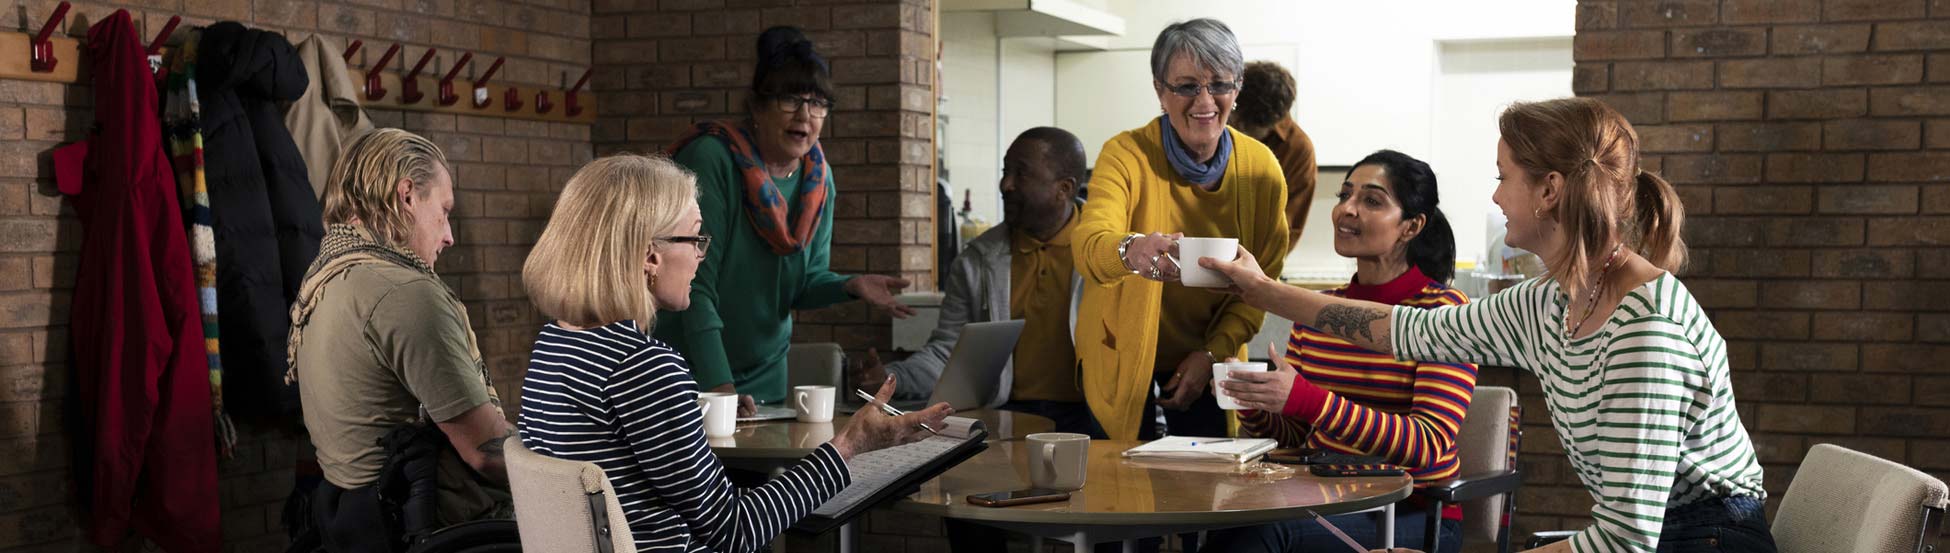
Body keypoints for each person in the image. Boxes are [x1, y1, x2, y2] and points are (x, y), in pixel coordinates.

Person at [1200, 97, 1775, 553]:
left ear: (1549, 190)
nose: (1495, 195)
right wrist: (1264, 291)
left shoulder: (1643, 332)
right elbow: (1404, 332)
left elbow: (1624, 542)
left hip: (1706, 541)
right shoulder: (1547, 302)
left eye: (1504, 177)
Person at [517, 154, 951, 553]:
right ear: (651, 255)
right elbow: (732, 530)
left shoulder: (555, 343)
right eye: (695, 238)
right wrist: (850, 445)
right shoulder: (643, 367)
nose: (701, 256)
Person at [1202, 150, 1475, 553]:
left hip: (1412, 514)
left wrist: (1310, 401)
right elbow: (1296, 438)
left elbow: (1427, 444)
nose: (1347, 210)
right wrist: (1254, 403)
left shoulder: (1443, 313)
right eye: (1345, 195)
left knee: (1258, 536)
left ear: (1411, 226)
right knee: (1223, 524)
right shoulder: (1315, 310)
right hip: (1320, 501)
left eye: (1371, 200)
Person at [659, 26, 914, 414]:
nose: (805, 115)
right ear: (757, 108)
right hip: (694, 374)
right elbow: (696, 291)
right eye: (790, 99)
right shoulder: (712, 158)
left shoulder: (818, 179)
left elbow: (802, 285)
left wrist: (850, 286)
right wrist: (720, 387)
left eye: (818, 103)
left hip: (767, 379)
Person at [286, 129, 514, 549]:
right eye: (443, 212)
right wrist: (572, 465)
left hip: (350, 522)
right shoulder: (404, 292)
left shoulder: (325, 277)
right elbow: (485, 451)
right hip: (423, 528)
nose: (449, 236)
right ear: (407, 195)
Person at [1074, 18, 1289, 441]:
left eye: (1220, 85)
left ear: (1238, 87)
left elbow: (1262, 282)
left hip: (1213, 355)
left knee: (1208, 491)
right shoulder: (1125, 154)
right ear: (1160, 91)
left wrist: (1211, 354)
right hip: (1121, 352)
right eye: (1187, 86)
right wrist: (1130, 251)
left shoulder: (1262, 168)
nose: (1204, 101)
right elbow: (1087, 242)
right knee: (1118, 488)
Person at [849, 127, 1105, 438]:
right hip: (1007, 416)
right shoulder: (977, 260)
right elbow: (948, 353)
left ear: (1063, 188)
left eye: (1020, 174)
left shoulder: (1110, 253)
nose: (1005, 184)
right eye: (1005, 171)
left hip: (1096, 417)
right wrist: (891, 379)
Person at [1229, 61, 1319, 249]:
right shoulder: (1216, 123)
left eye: (1246, 126)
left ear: (1273, 121)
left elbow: (1289, 225)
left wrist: (1260, 270)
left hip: (1258, 259)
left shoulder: (1298, 149)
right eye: (1235, 116)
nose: (1236, 127)